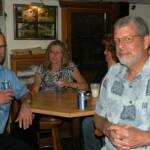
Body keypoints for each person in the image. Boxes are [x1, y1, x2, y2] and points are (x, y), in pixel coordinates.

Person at [94, 16, 150, 150]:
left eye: (128, 39)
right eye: (117, 40)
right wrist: (107, 129)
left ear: (146, 41)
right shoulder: (113, 72)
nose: (120, 46)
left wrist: (144, 138)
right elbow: (98, 116)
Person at [82, 33, 118, 150]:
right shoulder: (104, 68)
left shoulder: (122, 70)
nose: (104, 53)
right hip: (100, 108)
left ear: (114, 51)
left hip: (113, 112)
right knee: (88, 122)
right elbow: (94, 87)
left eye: (107, 50)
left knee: (88, 123)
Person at [0, 32, 35, 150]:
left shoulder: (8, 75)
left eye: (2, 46)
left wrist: (25, 104)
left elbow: (25, 93)